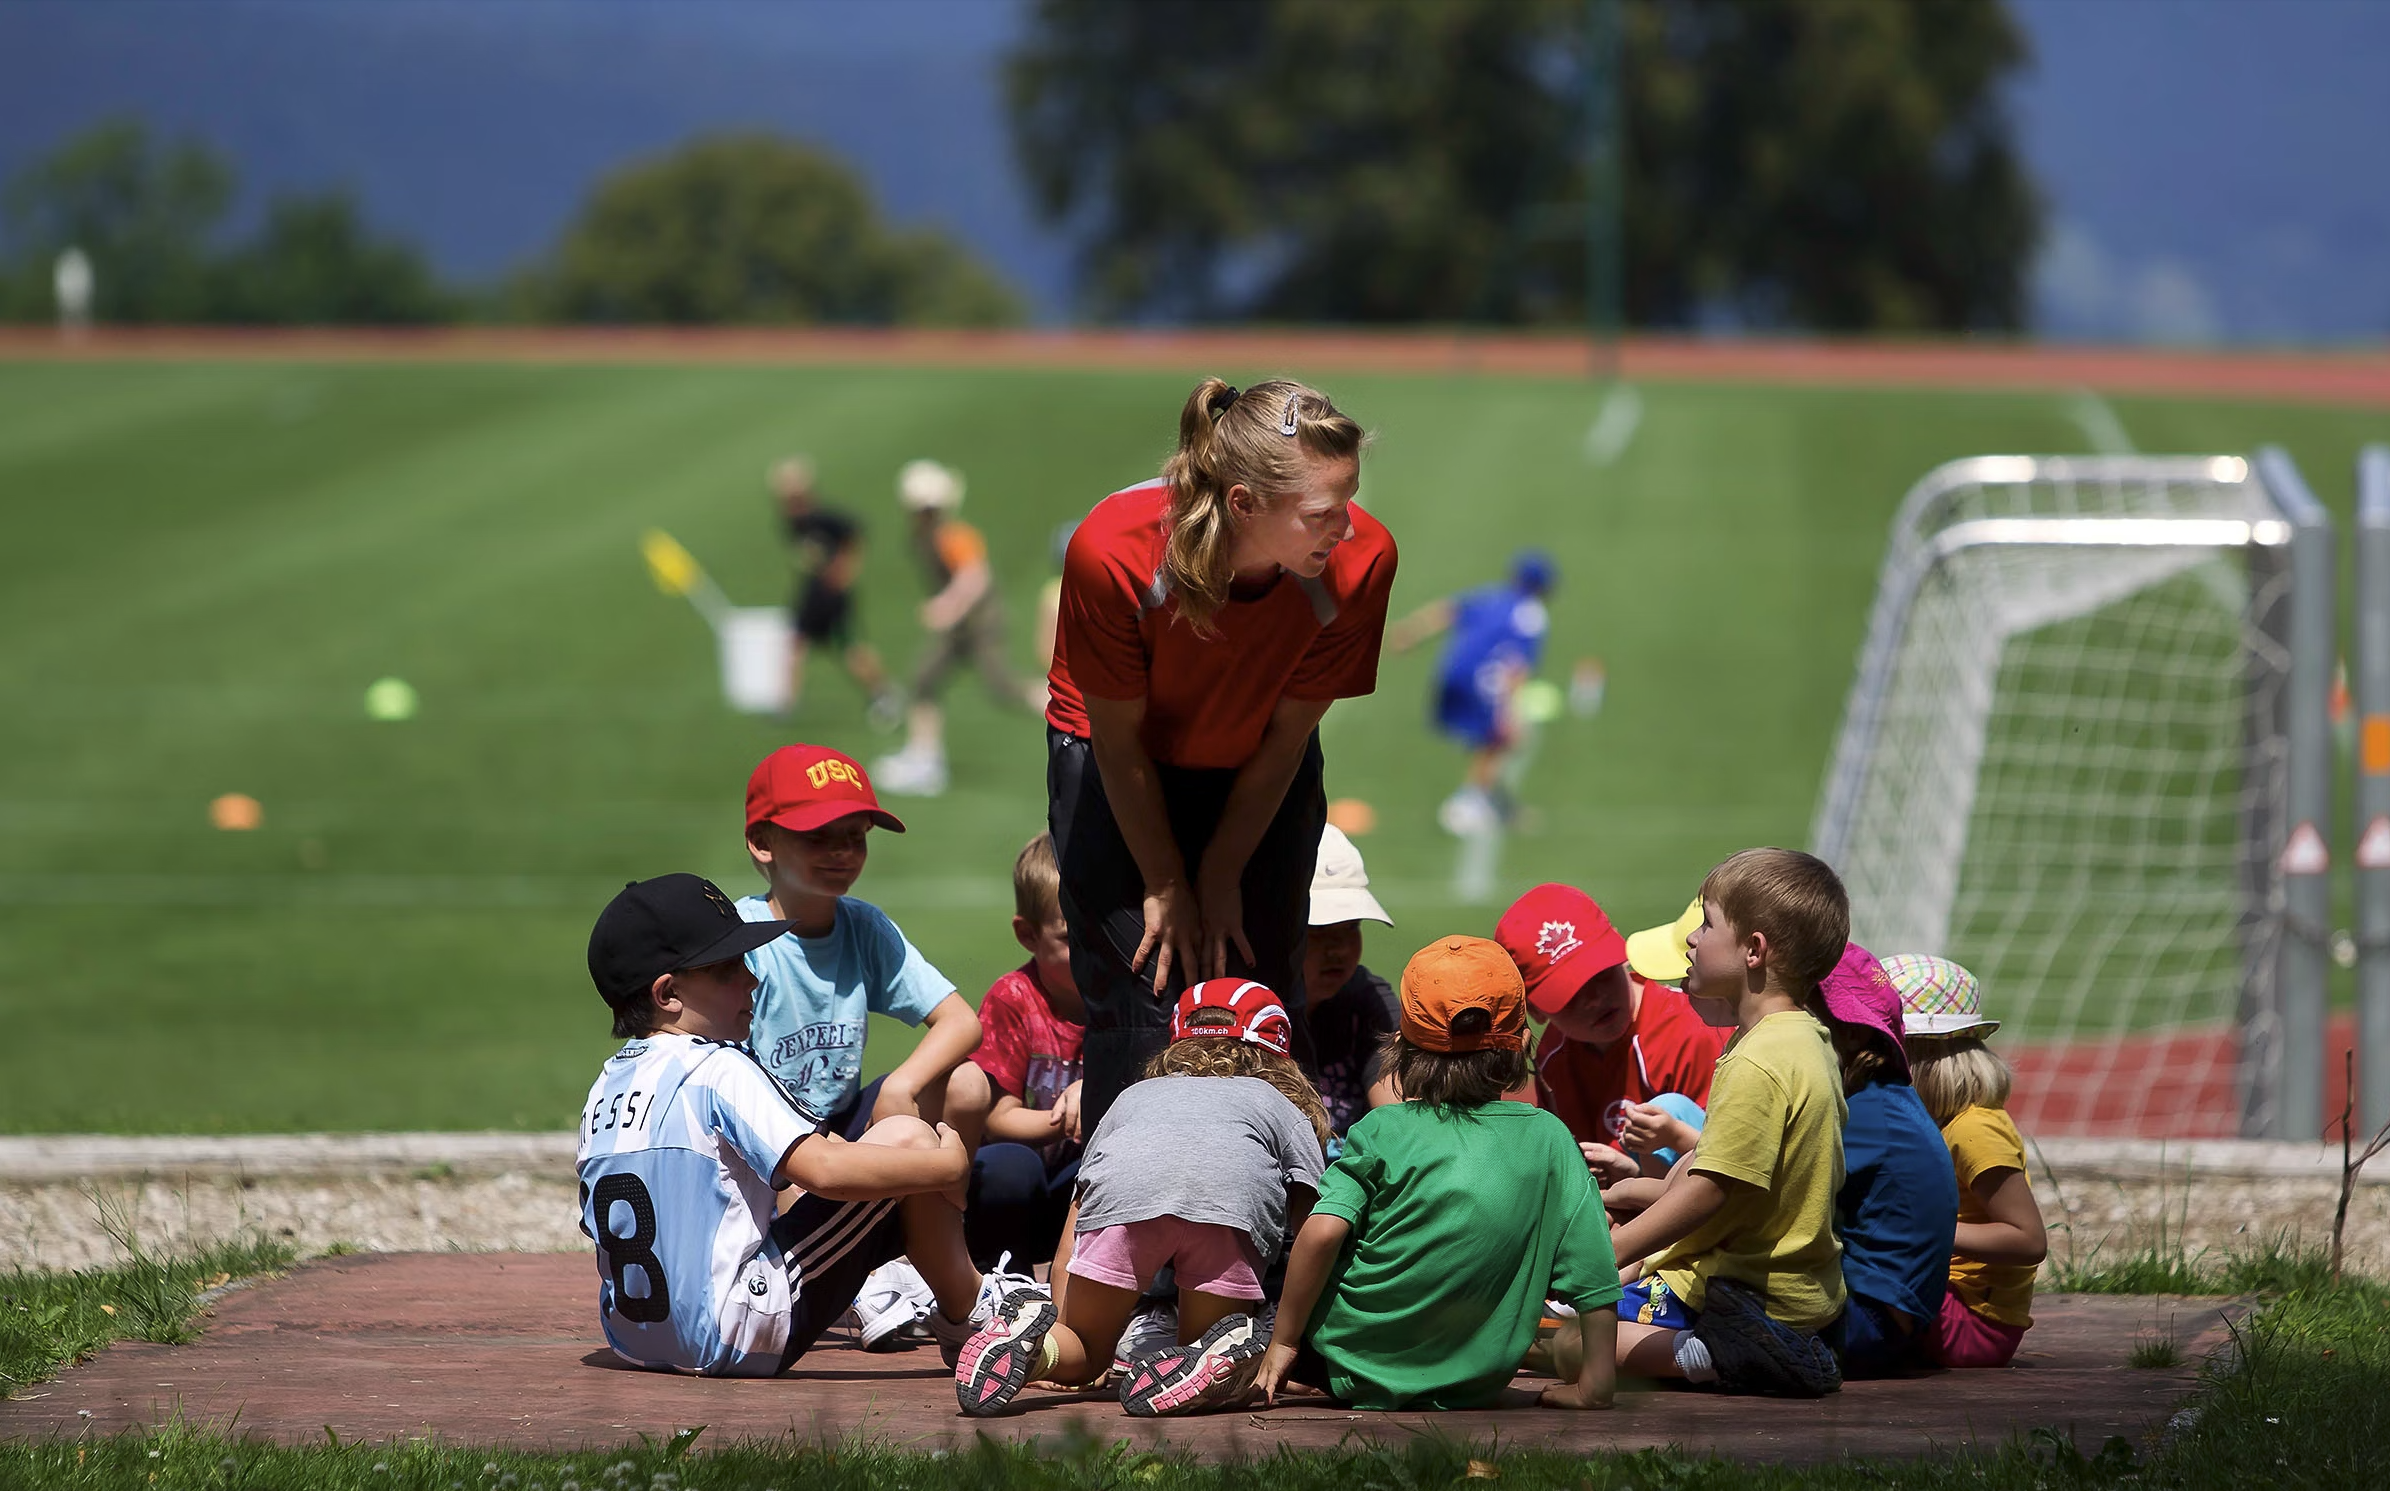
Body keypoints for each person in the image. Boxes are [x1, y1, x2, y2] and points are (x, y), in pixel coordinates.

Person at [1044, 377, 1397, 1136]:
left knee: (1261, 998)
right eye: (1320, 512)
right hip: (1119, 763)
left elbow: (1287, 736)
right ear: (1243, 504)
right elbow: (1116, 738)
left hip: (1258, 761)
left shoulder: (1362, 560)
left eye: (1349, 499)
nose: (1345, 526)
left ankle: (1270, 1236)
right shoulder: (1114, 551)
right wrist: (1169, 881)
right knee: (1146, 1001)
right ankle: (1121, 1237)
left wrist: (1224, 870)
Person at [576, 873, 1011, 1374]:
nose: (751, 979)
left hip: (633, 1340)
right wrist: (948, 1166)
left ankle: (936, 1296)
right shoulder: (718, 1068)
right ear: (669, 993)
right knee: (909, 1140)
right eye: (727, 969)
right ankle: (971, 1310)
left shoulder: (604, 1089)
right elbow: (824, 1171)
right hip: (737, 1332)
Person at [1254, 935, 1620, 1412]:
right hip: (1478, 1378)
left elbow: (1322, 1233)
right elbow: (1593, 1268)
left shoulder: (1382, 1128)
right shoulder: (1550, 1137)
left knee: (1248, 1326)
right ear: (1523, 1041)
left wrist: (1284, 1344)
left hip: (1349, 1367)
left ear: (1401, 1046)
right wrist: (1595, 1383)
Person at [954, 978, 1330, 1417]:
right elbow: (1315, 1229)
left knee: (1085, 1349)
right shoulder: (1278, 1104)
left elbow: (1076, 1223)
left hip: (1121, 1209)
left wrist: (1062, 1316)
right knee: (1206, 1349)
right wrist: (1292, 1340)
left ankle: (1032, 1347)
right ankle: (1206, 1360)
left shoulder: (1132, 1097)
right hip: (1223, 1216)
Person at [733, 744, 998, 1336]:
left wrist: (902, 1083)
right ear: (763, 843)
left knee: (967, 1084)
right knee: (855, 1146)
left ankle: (927, 1259)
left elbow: (961, 1022)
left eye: (855, 836)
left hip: (838, 1126)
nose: (842, 853)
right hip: (767, 1150)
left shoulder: (863, 925)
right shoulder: (740, 938)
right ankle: (864, 1283)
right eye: (818, 837)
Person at [1605, 848, 1849, 1397]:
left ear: (1754, 950)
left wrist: (1612, 1257)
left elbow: (1711, 1191)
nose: (1691, 938)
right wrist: (1639, 1193)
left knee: (1562, 1336)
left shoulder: (1758, 1060)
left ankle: (1719, 1355)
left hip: (1742, 1295)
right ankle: (1739, 1348)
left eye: (1706, 923)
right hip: (1799, 1289)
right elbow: (1728, 1170)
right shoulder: (1803, 1039)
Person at [1494, 886, 1728, 1181]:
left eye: (1599, 973)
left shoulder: (1694, 1033)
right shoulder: (1554, 1056)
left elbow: (1728, 1173)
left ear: (1621, 956)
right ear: (1536, 1009)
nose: (1595, 999)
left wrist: (1633, 1175)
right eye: (1571, 992)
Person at [1888, 953, 2047, 1369]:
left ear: (1918, 1052)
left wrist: (1921, 1231)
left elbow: (2027, 1240)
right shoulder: (1942, 1119)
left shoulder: (1974, 1129)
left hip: (1975, 1322)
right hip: (1944, 1300)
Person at [1811, 944, 1958, 1380]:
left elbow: (1760, 1193)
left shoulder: (1865, 1113)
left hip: (1868, 1322)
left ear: (1853, 1034)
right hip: (1889, 1319)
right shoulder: (1886, 1098)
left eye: (1804, 1017)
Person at [875, 460, 1039, 797]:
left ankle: (1074, 711)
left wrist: (947, 606)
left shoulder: (954, 536)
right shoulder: (926, 537)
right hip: (960, 628)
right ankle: (925, 760)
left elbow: (974, 577)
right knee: (923, 680)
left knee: (1003, 687)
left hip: (978, 624)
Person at [964, 831, 1088, 1273]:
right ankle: (1003, 1279)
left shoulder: (1124, 999)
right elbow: (997, 1119)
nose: (1092, 955)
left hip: (1076, 1190)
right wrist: (1075, 1114)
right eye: (1072, 938)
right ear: (1028, 934)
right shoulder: (1013, 997)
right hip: (1015, 1193)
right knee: (1006, 1165)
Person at [1388, 550, 1556, 836]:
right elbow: (1516, 666)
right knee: (1502, 739)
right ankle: (1466, 806)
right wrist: (1509, 710)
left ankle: (1496, 803)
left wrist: (1410, 631)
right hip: (1484, 682)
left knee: (1489, 742)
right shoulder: (1533, 616)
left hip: (1451, 672)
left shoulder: (1491, 596)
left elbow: (1445, 612)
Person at [771, 457, 896, 723]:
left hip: (831, 594)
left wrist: (846, 571)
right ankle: (787, 704)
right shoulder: (793, 522)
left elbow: (855, 533)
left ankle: (883, 692)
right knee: (796, 646)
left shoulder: (822, 518)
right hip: (812, 592)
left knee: (851, 650)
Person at [1300, 824, 1399, 1134]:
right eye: (1320, 929)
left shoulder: (1368, 999)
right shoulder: (1237, 1012)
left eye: (1351, 926)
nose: (1340, 948)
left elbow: (1401, 1123)